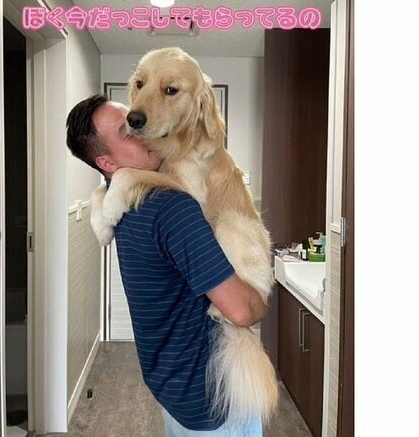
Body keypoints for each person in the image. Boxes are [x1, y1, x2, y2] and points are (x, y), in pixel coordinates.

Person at [66, 93, 267, 436]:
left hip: (170, 381)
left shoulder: (119, 202)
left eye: (135, 120)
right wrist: (260, 300)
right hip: (212, 395)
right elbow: (242, 311)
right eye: (127, 133)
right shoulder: (171, 207)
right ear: (107, 163)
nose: (143, 130)